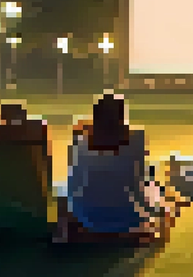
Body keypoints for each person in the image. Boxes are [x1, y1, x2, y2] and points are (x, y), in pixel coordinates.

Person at [62, 92, 168, 234]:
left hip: (87, 217)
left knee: (62, 188)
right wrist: (153, 211)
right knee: (156, 190)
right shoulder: (136, 140)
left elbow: (73, 183)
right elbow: (138, 184)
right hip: (128, 217)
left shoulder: (81, 143)